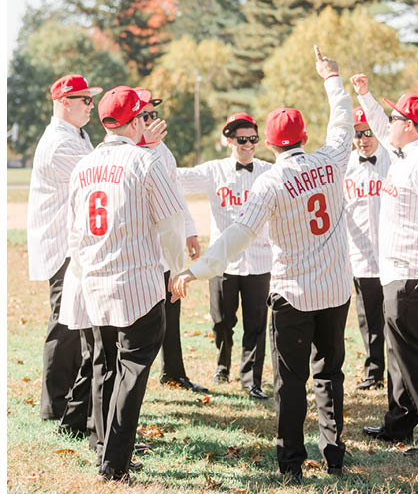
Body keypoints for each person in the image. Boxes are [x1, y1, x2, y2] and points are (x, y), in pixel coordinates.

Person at [172, 47, 354, 480]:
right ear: (303, 137)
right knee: (330, 373)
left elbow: (235, 238)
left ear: (269, 143)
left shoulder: (270, 183)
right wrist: (331, 77)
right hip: (336, 290)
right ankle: (333, 455)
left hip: (293, 292)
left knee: (290, 383)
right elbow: (343, 120)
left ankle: (291, 465)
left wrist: (194, 270)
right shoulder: (331, 161)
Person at [68, 85, 187, 481]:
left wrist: (83, 274)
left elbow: (74, 231)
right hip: (137, 280)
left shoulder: (83, 166)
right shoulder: (144, 161)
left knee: (104, 366)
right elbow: (170, 224)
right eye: (144, 117)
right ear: (135, 121)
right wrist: (178, 269)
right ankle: (114, 465)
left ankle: (103, 447)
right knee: (132, 370)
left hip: (96, 277)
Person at [355, 80, 418, 456]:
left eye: (395, 117)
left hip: (417, 272)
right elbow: (381, 129)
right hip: (399, 269)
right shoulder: (407, 153)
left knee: (409, 349)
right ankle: (399, 423)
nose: (387, 124)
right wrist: (363, 93)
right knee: (397, 348)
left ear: (409, 125)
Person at [175, 113, 273, 399]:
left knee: (256, 323)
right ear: (229, 140)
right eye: (242, 139)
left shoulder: (269, 171)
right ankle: (222, 364)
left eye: (253, 139)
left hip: (259, 259)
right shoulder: (213, 171)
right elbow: (176, 180)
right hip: (222, 261)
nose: (248, 145)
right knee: (221, 321)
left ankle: (250, 378)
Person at [27, 74, 100, 421]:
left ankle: (71, 399)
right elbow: (95, 178)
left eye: (92, 100)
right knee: (65, 326)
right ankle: (55, 406)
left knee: (76, 322)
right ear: (63, 102)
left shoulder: (78, 135)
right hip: (62, 245)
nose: (92, 106)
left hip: (74, 242)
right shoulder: (60, 143)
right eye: (85, 100)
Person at [135, 89, 206, 393]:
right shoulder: (133, 153)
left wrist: (189, 229)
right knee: (143, 323)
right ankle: (134, 383)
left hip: (168, 247)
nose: (153, 120)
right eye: (145, 115)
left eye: (154, 113)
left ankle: (174, 372)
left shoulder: (162, 149)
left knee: (172, 312)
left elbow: (176, 194)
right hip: (144, 251)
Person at [341, 94, 391, 391]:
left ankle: (401, 373)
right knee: (370, 319)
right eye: (358, 133)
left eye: (368, 131)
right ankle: (374, 373)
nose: (364, 138)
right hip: (361, 256)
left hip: (393, 255)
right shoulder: (344, 166)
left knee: (396, 319)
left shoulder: (391, 157)